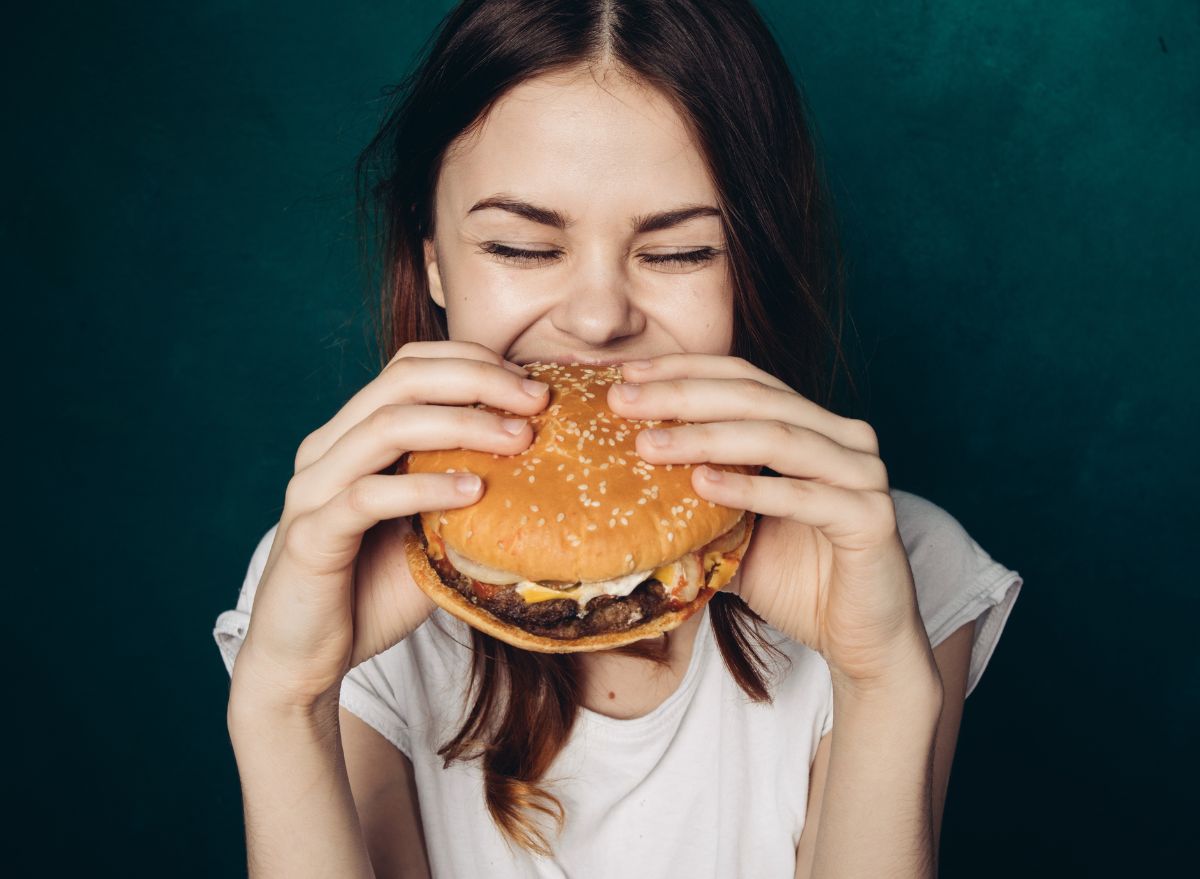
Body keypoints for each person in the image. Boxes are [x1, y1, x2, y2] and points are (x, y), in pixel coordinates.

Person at [212, 1, 1023, 876]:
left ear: (754, 263)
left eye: (680, 253)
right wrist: (285, 704)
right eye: (521, 247)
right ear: (434, 257)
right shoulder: (336, 573)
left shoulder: (898, 562)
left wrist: (884, 685)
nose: (598, 320)